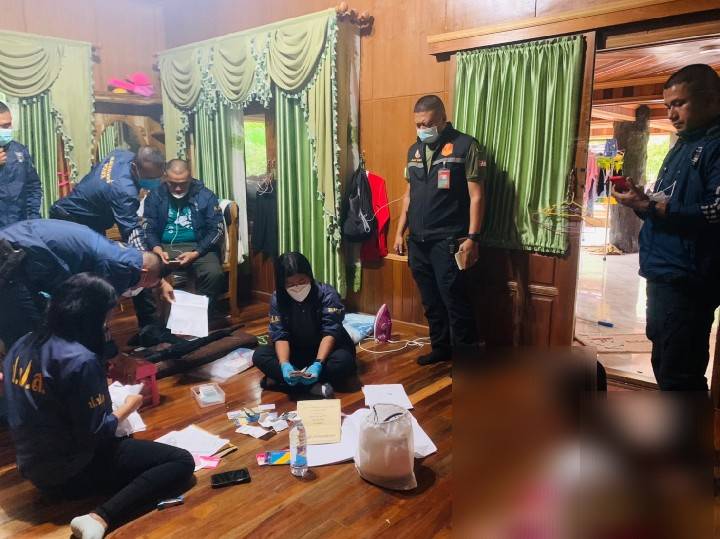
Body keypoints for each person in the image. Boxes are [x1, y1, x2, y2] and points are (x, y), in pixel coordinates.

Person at [3, 273, 194, 539]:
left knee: (129, 445)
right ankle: (100, 517)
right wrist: (129, 406)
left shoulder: (23, 342)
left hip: (32, 464)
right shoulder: (79, 360)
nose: (108, 323)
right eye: (107, 316)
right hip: (68, 473)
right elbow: (97, 433)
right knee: (180, 461)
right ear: (91, 317)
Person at [614, 64, 720, 391]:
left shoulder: (716, 146)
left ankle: (687, 428)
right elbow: (665, 205)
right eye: (668, 106)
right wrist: (641, 201)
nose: (671, 114)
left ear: (711, 100)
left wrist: (650, 206)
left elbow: (716, 211)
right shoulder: (682, 145)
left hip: (689, 278)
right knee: (663, 363)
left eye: (679, 104)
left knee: (680, 375)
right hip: (661, 271)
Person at [393, 95, 485, 365]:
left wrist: (473, 237)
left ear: (443, 119)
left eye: (428, 123)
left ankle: (467, 359)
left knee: (455, 301)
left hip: (447, 239)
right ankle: (440, 348)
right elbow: (408, 195)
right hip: (418, 240)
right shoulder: (414, 151)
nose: (422, 129)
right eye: (418, 124)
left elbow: (477, 196)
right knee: (431, 301)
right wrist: (399, 232)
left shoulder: (465, 146)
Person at [0, 219, 172, 352]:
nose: (141, 288)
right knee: (27, 339)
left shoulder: (128, 254)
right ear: (144, 273)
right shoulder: (121, 269)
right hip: (14, 261)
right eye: (147, 285)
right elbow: (98, 316)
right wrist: (113, 354)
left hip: (21, 245)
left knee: (45, 325)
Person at [252, 252, 357, 398]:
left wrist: (318, 363)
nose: (297, 287)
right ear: (282, 284)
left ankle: (287, 383)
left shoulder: (327, 294)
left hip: (326, 350)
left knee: (344, 361)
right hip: (295, 350)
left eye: (302, 281)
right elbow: (280, 335)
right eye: (290, 284)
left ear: (310, 276)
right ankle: (311, 385)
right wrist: (284, 364)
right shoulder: (278, 298)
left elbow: (330, 332)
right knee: (259, 355)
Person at [143, 159, 225, 307]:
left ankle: (200, 313)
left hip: (199, 246)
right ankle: (160, 317)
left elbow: (216, 229)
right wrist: (157, 248)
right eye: (173, 183)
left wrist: (196, 252)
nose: (178, 188)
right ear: (165, 177)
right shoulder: (155, 196)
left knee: (214, 274)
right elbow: (148, 228)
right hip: (164, 247)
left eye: (183, 184)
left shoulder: (206, 196)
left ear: (190, 177)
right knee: (146, 270)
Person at [49, 145, 164, 248]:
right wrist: (148, 258)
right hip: (72, 221)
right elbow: (132, 231)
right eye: (149, 178)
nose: (155, 181)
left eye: (158, 177)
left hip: (82, 215)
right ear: (134, 167)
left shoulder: (121, 154)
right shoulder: (124, 191)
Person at [0, 100, 42, 228]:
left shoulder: (19, 151)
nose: (7, 130)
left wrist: (32, 220)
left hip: (19, 227)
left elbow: (33, 187)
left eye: (9, 125)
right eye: (3, 126)